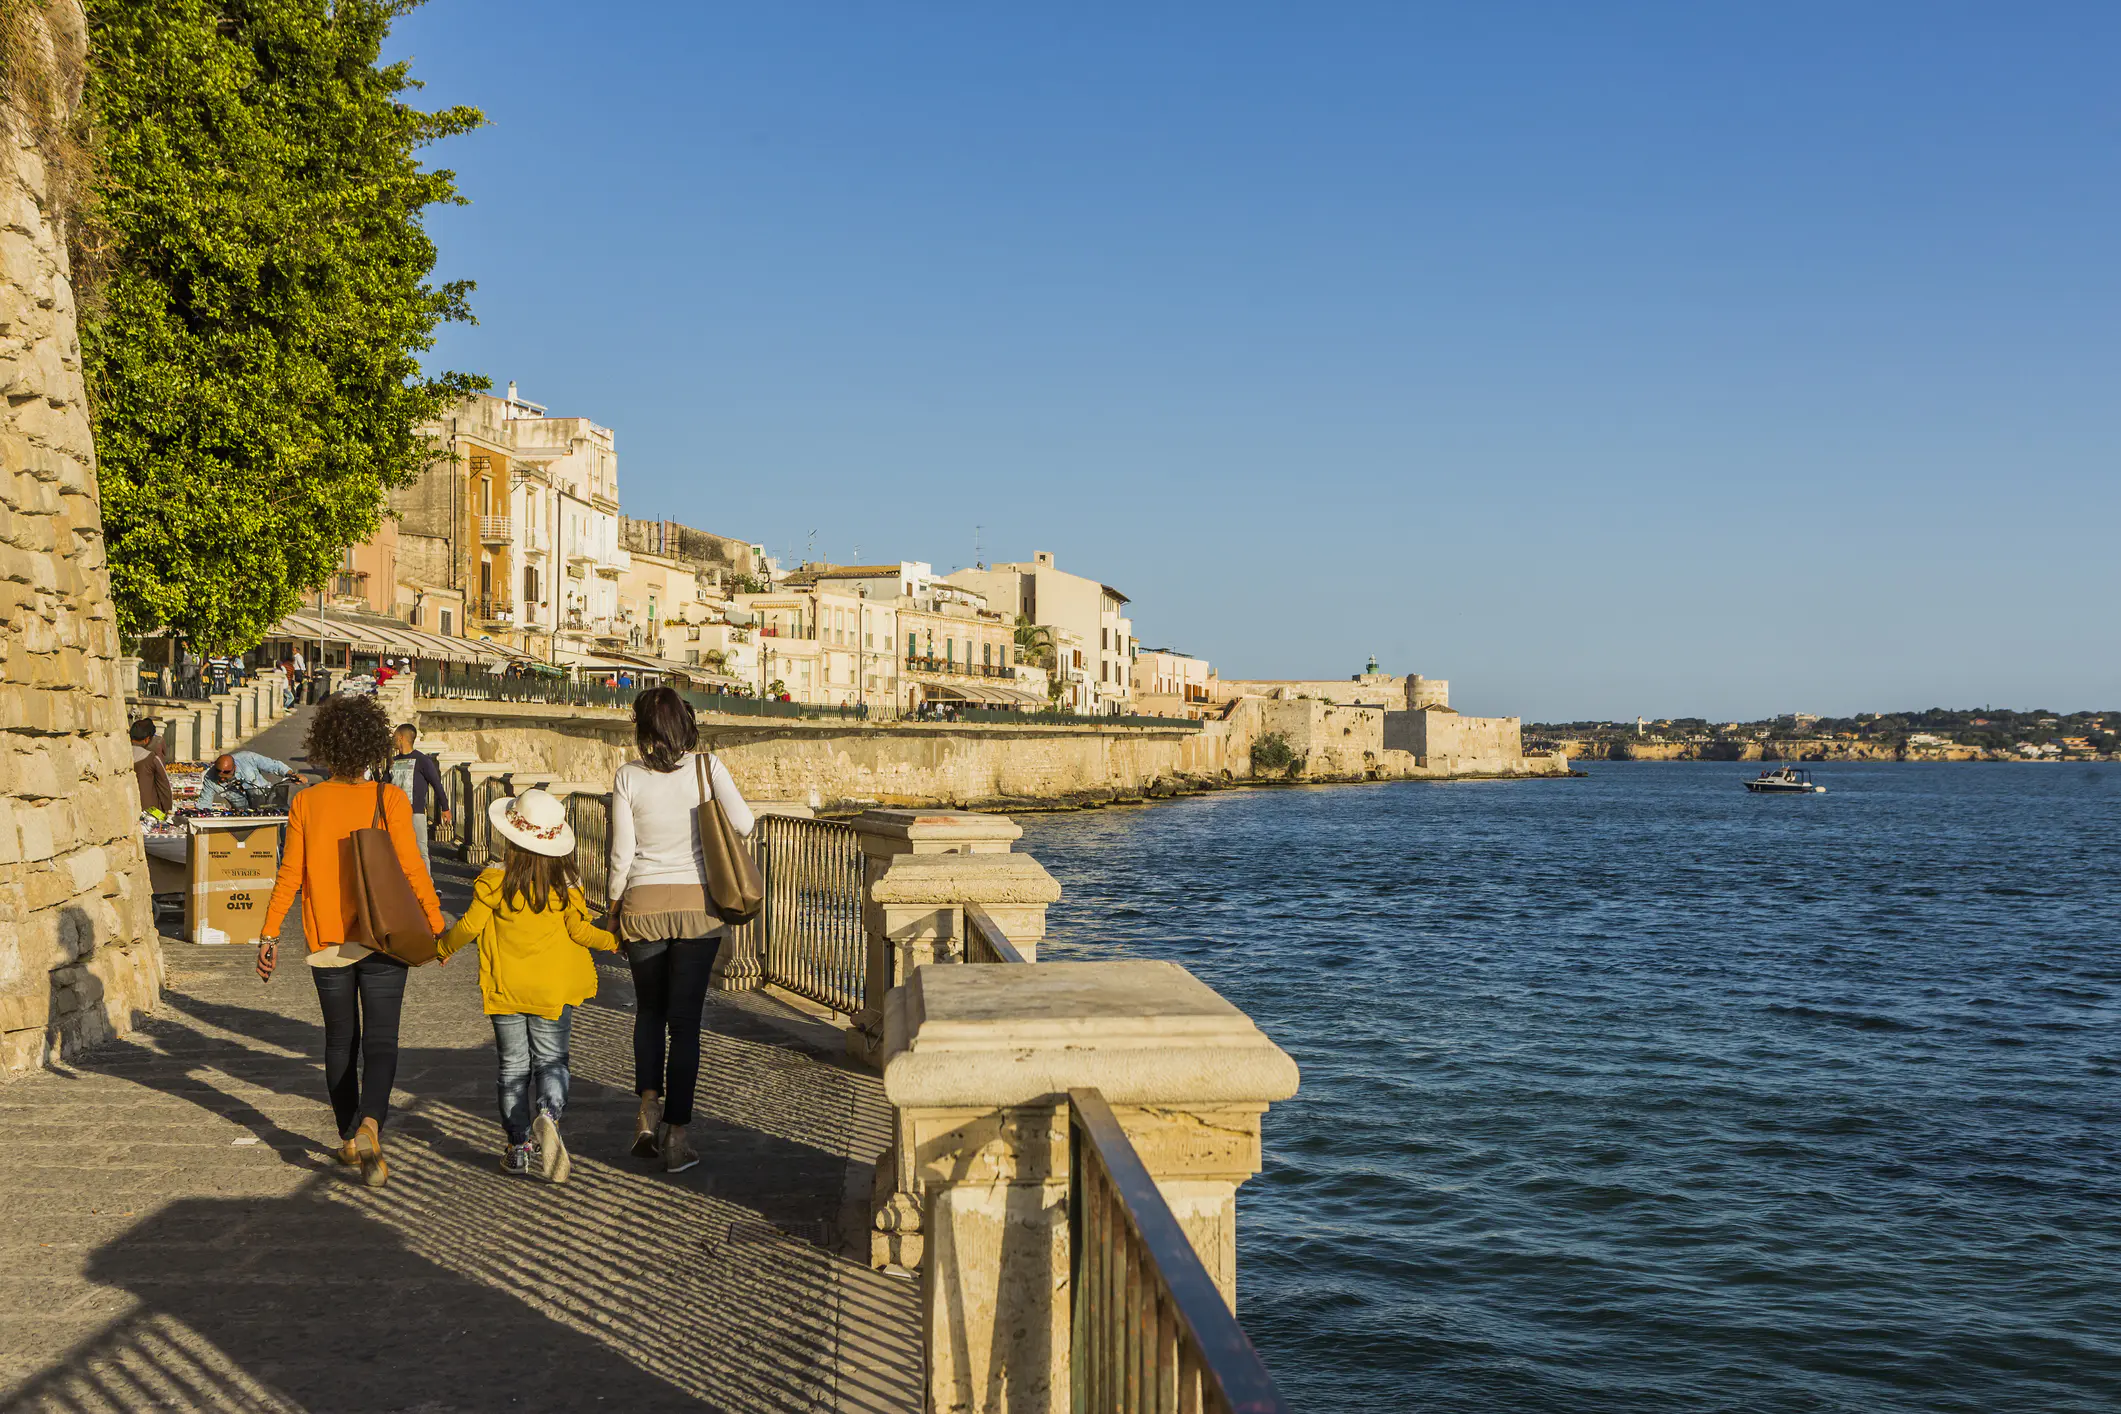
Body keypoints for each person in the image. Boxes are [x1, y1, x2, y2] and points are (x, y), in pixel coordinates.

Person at [256, 693, 444, 1188]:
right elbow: (411, 868)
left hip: (327, 939)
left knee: (341, 1040)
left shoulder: (307, 802)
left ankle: (346, 1136)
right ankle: (370, 1125)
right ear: (370, 746)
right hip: (383, 935)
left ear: (325, 747)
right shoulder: (391, 799)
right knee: (382, 1040)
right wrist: (436, 926)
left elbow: (290, 873)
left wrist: (270, 932)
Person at [608, 686, 754, 1173]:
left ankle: (647, 1109)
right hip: (698, 909)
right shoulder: (707, 769)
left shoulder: (627, 776)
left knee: (649, 1012)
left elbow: (621, 855)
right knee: (685, 1023)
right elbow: (745, 823)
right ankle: (677, 1137)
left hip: (643, 906)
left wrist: (614, 906)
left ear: (645, 730)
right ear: (684, 724)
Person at [438, 787, 616, 1181]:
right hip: (551, 990)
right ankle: (549, 1115)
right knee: (552, 1061)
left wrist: (441, 947)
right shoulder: (565, 885)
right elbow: (583, 933)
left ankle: (518, 1147)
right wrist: (617, 941)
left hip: (506, 988)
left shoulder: (493, 881)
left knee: (513, 1067)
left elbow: (469, 926)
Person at [388, 723, 451, 867]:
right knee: (395, 851)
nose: (393, 739)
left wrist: (445, 808)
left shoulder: (422, 760)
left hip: (415, 813)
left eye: (395, 736)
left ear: (401, 738)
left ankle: (428, 885)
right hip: (395, 813)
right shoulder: (394, 762)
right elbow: (385, 785)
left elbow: (436, 784)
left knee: (421, 850)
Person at [197, 750, 297, 811]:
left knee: (286, 817)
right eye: (218, 773)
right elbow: (204, 802)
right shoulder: (210, 778)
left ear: (234, 767)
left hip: (267, 798)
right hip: (243, 811)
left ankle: (285, 844)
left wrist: (290, 774)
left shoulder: (247, 758)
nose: (222, 777)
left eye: (226, 773)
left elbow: (273, 765)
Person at [129, 718, 173, 816]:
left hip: (126, 810)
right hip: (150, 812)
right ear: (147, 739)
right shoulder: (151, 758)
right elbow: (164, 786)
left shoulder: (120, 756)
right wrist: (167, 810)